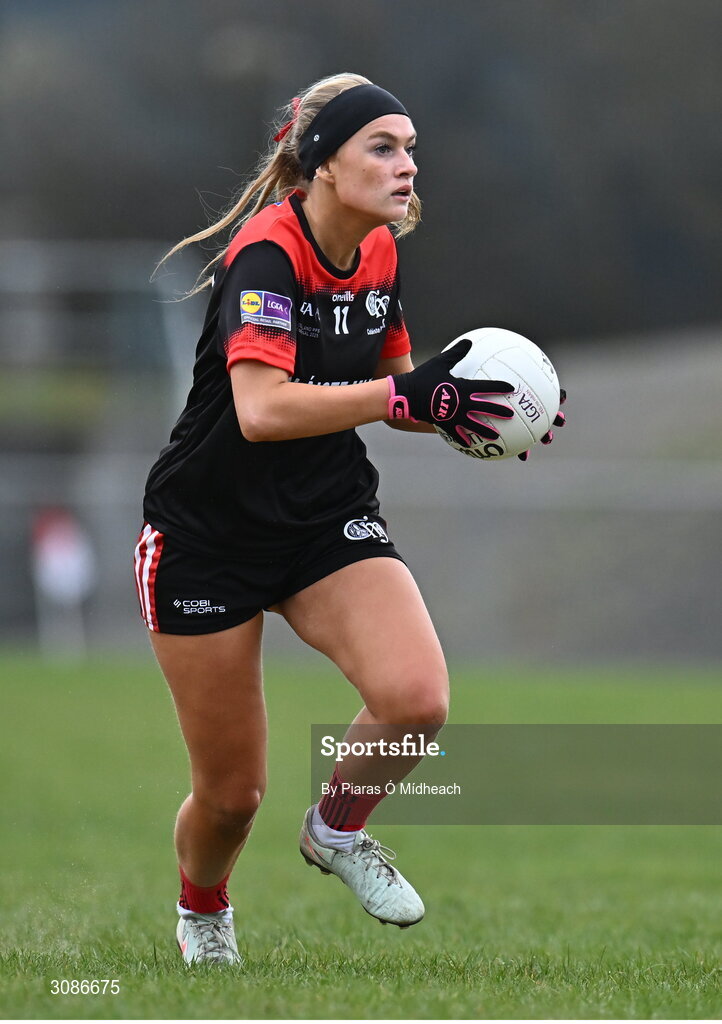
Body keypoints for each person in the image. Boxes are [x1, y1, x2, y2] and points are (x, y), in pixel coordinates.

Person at [134, 72, 565, 966]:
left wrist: (473, 405)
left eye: (411, 149)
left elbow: (397, 395)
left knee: (416, 700)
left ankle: (335, 830)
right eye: (385, 147)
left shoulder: (377, 252)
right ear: (323, 163)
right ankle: (204, 910)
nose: (408, 166)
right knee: (231, 797)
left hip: (323, 516)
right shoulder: (268, 253)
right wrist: (405, 392)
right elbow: (263, 410)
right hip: (205, 537)